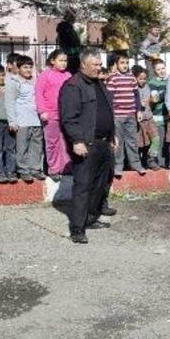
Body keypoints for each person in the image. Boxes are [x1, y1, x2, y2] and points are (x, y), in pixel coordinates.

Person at [58, 50, 116, 244]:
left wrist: (112, 136)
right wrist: (76, 141)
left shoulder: (98, 83)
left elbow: (107, 111)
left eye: (100, 65)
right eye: (95, 65)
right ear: (83, 65)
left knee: (100, 185)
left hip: (104, 142)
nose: (99, 68)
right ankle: (77, 229)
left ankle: (91, 219)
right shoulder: (73, 86)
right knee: (83, 186)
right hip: (86, 144)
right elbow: (69, 118)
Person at [5, 55, 44, 182]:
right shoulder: (14, 82)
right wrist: (12, 121)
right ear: (19, 68)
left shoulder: (35, 80)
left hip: (36, 120)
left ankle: (35, 169)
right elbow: (9, 102)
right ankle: (23, 170)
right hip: (22, 121)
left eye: (30, 67)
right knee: (22, 147)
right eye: (25, 67)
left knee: (36, 146)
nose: (28, 70)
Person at [35, 50, 72, 180]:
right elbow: (39, 94)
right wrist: (42, 111)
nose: (63, 63)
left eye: (65, 60)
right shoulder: (45, 75)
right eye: (60, 60)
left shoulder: (68, 75)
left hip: (66, 115)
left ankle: (66, 167)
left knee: (65, 141)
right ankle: (54, 169)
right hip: (50, 114)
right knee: (52, 142)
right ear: (52, 61)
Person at [107, 52, 145, 178]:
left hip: (131, 115)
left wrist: (138, 110)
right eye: (122, 63)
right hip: (117, 116)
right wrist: (111, 116)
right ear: (116, 64)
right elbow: (110, 99)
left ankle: (135, 164)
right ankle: (118, 166)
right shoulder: (112, 78)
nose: (125, 65)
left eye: (127, 62)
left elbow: (136, 96)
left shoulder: (132, 78)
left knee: (132, 141)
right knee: (118, 142)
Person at [0, 64, 17, 184]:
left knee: (11, 148)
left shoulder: (9, 87)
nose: (1, 78)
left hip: (10, 122)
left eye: (3, 75)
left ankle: (11, 172)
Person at [134, 65, 159, 170]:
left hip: (149, 118)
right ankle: (141, 162)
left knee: (155, 139)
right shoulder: (133, 88)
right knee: (141, 143)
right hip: (139, 120)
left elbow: (151, 100)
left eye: (145, 78)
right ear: (135, 78)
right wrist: (138, 104)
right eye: (140, 78)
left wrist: (153, 100)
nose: (143, 81)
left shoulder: (148, 87)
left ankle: (151, 159)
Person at [147, 61, 168, 169]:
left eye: (163, 68)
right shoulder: (152, 82)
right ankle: (152, 160)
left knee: (165, 140)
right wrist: (167, 92)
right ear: (154, 71)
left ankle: (162, 161)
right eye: (158, 69)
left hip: (168, 116)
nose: (161, 71)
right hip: (157, 117)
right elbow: (155, 99)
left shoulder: (168, 81)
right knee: (157, 140)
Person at [57, 9, 82, 74]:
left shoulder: (67, 27)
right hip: (70, 54)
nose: (74, 18)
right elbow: (72, 40)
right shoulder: (66, 27)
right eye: (73, 16)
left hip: (71, 53)